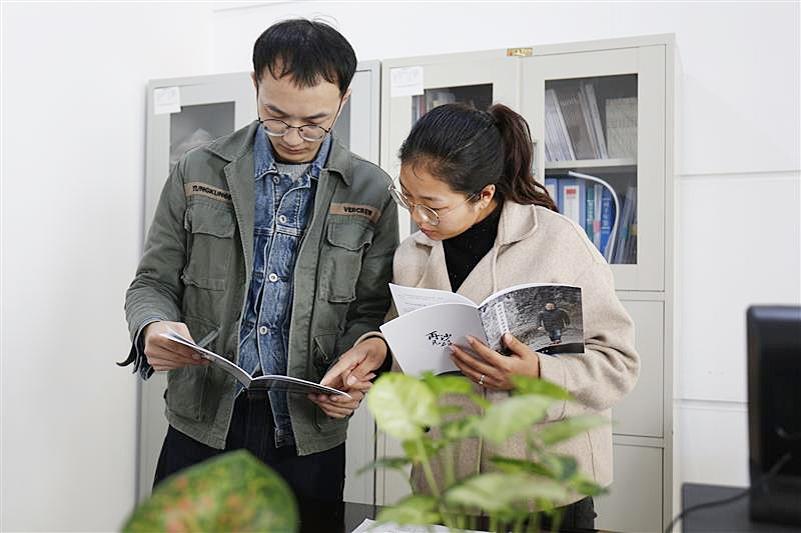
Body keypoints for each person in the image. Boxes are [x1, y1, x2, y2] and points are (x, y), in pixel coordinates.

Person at [120, 19, 398, 507]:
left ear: (344, 99)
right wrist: (153, 326)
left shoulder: (370, 190)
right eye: (275, 115)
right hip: (202, 421)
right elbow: (152, 282)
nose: (293, 136)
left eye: (314, 122)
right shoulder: (198, 170)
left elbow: (372, 312)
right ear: (255, 85)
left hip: (307, 430)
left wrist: (354, 371)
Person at [326, 102, 639, 528]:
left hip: (544, 489)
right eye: (408, 199)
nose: (417, 218)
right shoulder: (412, 254)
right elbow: (408, 345)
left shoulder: (558, 242)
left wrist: (536, 374)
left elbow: (618, 365)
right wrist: (377, 350)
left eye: (432, 206)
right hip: (447, 484)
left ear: (484, 195)